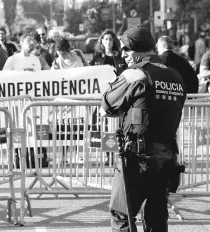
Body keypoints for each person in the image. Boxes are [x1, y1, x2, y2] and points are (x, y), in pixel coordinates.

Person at [101, 26, 186, 232]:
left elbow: (107, 105)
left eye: (126, 50)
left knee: (122, 215)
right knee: (156, 217)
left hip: (138, 157)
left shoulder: (136, 74)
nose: (123, 55)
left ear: (138, 50)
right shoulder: (175, 75)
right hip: (166, 158)